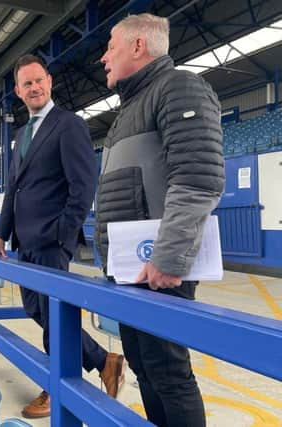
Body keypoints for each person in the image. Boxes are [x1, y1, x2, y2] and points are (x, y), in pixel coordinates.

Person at [96, 13, 224, 426]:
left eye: (110, 46)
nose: (103, 57)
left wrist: (170, 257)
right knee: (144, 365)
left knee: (168, 371)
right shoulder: (128, 110)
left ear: (138, 47)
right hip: (131, 271)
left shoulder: (179, 87)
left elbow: (199, 176)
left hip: (159, 269)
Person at [0, 54, 126, 419]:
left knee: (53, 316)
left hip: (51, 241)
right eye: (26, 84)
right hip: (24, 242)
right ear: (18, 92)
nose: (34, 88)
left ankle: (55, 387)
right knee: (38, 310)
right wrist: (1, 235)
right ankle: (105, 360)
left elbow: (83, 187)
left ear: (49, 82)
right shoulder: (21, 136)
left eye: (38, 81)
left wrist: (62, 235)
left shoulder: (69, 125)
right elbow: (13, 190)